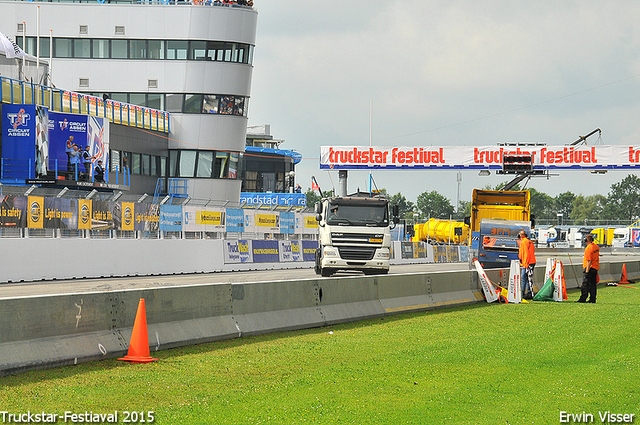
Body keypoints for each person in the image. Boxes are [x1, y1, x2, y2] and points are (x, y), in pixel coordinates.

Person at [577, 234, 600, 303]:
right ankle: (592, 299)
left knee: (585, 284)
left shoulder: (588, 248)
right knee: (593, 285)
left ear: (586, 240)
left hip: (589, 268)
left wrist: (587, 271)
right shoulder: (596, 247)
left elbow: (589, 260)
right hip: (595, 267)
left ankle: (583, 298)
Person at [518, 230, 536, 299]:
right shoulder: (529, 241)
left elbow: (526, 254)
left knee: (523, 278)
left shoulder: (524, 242)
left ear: (522, 235)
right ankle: (529, 293)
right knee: (528, 278)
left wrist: (525, 264)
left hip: (528, 263)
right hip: (531, 262)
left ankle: (522, 293)